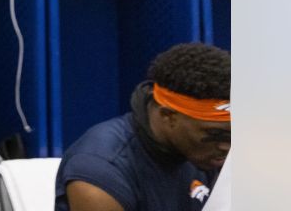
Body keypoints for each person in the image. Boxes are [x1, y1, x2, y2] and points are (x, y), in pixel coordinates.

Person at [55, 43, 231, 211]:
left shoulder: (204, 151)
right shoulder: (100, 171)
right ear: (168, 116)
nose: (227, 146)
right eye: (215, 133)